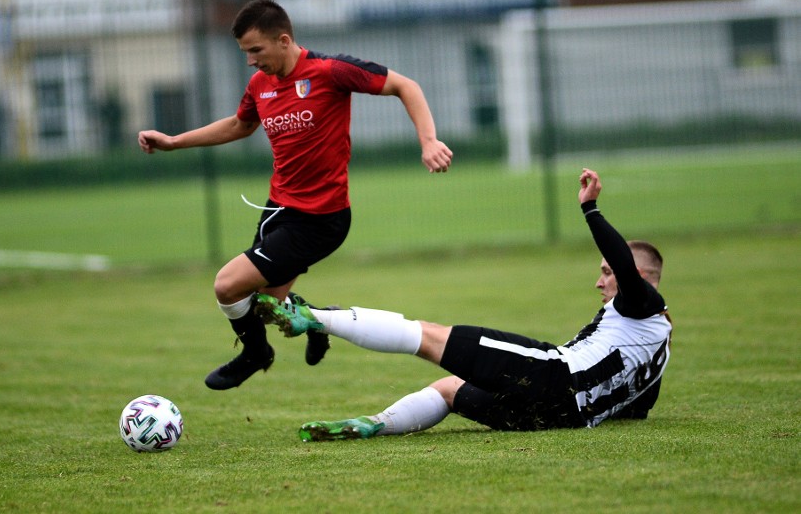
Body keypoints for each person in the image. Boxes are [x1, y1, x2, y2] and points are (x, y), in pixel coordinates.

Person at [138, 0, 453, 391]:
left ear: (283, 40)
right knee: (268, 308)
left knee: (226, 285)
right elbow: (240, 125)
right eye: (245, 53)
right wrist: (173, 142)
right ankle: (315, 320)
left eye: (256, 50)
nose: (250, 61)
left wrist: (428, 141)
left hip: (321, 220)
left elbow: (406, 85)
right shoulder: (260, 85)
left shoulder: (331, 71)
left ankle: (256, 355)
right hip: (278, 211)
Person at [255, 168, 672, 441]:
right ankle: (373, 425)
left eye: (608, 272)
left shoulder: (642, 301)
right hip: (560, 416)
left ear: (640, 278)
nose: (600, 280)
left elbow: (623, 262)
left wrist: (591, 208)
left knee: (428, 336)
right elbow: (636, 409)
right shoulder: (659, 345)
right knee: (451, 390)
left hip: (555, 377)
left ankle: (312, 319)